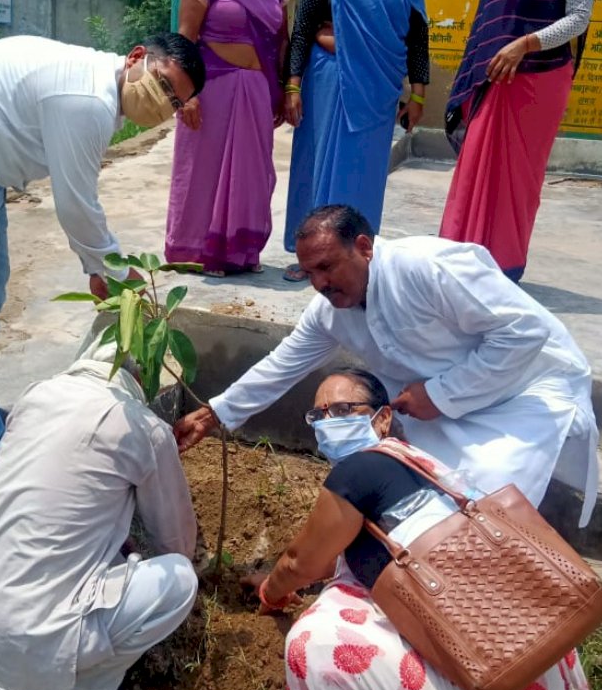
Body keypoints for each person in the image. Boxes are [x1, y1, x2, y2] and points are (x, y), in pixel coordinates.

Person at [243, 368, 598, 690]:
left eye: (344, 409)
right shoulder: (422, 472)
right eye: (319, 413)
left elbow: (297, 563)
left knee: (313, 644)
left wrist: (271, 592)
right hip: (534, 689)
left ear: (383, 418)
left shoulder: (359, 471)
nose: (328, 420)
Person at [0, 32, 205, 486]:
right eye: (163, 83)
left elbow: (77, 201)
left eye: (175, 101)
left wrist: (99, 266)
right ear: (136, 58)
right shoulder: (87, 99)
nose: (164, 102)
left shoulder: (101, 92)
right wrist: (111, 270)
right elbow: (75, 204)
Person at [175, 204, 598, 529]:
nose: (319, 284)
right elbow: (283, 364)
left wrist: (441, 394)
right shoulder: (329, 310)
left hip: (523, 389)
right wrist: (215, 413)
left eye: (326, 267)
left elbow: (524, 331)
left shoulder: (425, 268)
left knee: (486, 493)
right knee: (412, 490)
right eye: (308, 274)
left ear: (363, 247)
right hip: (435, 399)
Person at [0, 343, 198, 690]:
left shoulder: (36, 396)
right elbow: (177, 545)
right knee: (180, 580)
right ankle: (82, 688)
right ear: (135, 379)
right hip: (37, 637)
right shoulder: (141, 425)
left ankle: (43, 661)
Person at [440, 0, 597, 284]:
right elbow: (493, 12)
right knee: (478, 164)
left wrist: (525, 44)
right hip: (498, 74)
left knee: (517, 178)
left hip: (539, 77)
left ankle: (503, 267)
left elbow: (579, 18)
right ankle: (462, 256)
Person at [282, 0, 429, 283]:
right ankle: (313, 255)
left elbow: (417, 37)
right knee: (321, 168)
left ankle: (356, 253)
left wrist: (418, 93)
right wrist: (292, 86)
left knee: (359, 172)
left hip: (372, 88)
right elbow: (303, 30)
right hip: (332, 86)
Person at [165, 0, 289, 276]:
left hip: (256, 92)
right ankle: (199, 252)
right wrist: (188, 95)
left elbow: (281, 38)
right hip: (212, 89)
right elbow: (185, 38)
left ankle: (242, 251)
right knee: (205, 172)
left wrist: (284, 90)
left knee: (252, 174)